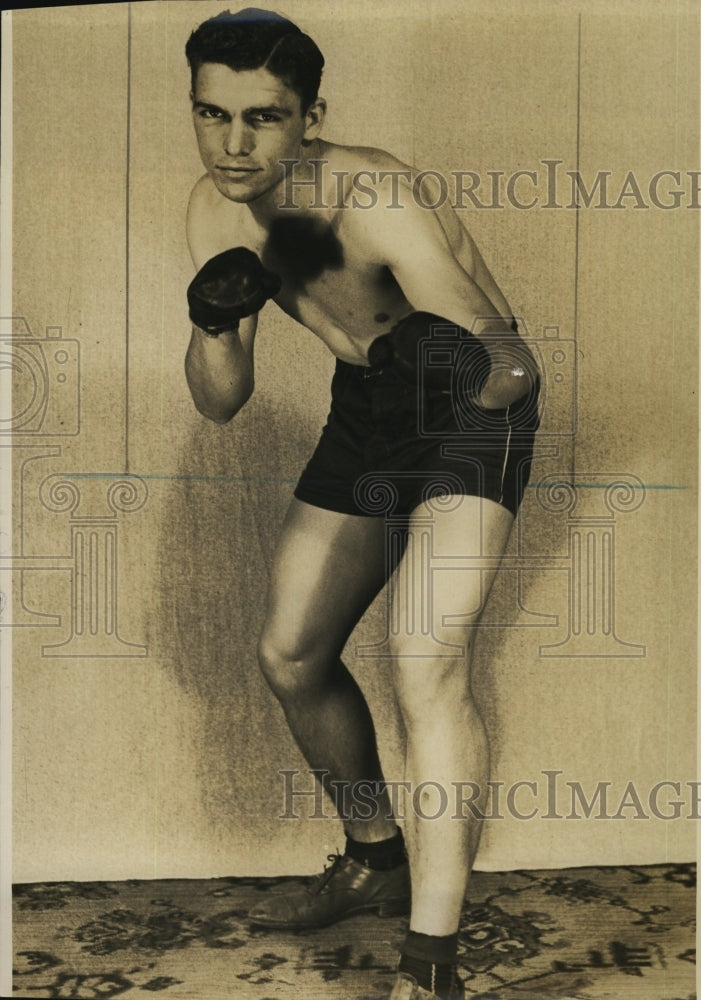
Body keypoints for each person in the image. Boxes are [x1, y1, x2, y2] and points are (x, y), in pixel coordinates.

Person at [183, 9, 540, 1000]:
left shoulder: (372, 193)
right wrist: (215, 323)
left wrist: (448, 473)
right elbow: (222, 404)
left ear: (312, 117)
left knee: (424, 659)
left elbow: (498, 353)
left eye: (264, 118)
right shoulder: (214, 213)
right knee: (290, 651)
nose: (234, 144)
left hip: (468, 390)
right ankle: (375, 856)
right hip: (371, 404)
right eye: (212, 115)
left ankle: (430, 957)